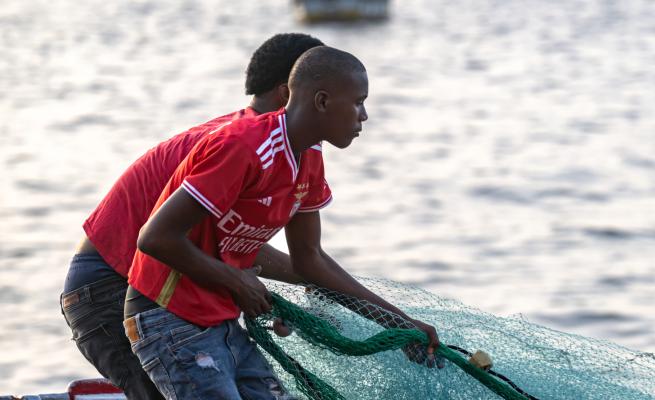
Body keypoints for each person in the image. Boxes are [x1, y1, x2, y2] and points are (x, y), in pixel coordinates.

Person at [125, 46, 439, 399]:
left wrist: (399, 323)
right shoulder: (244, 146)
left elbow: (311, 261)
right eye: (358, 102)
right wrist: (237, 282)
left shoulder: (310, 156)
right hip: (168, 316)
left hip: (220, 319)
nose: (364, 115)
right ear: (321, 101)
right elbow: (155, 238)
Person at [60, 33, 326, 400]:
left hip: (176, 282)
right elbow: (171, 243)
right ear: (290, 93)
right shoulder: (237, 145)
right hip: (108, 285)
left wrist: (313, 286)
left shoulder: (283, 151)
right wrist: (302, 279)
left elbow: (229, 249)